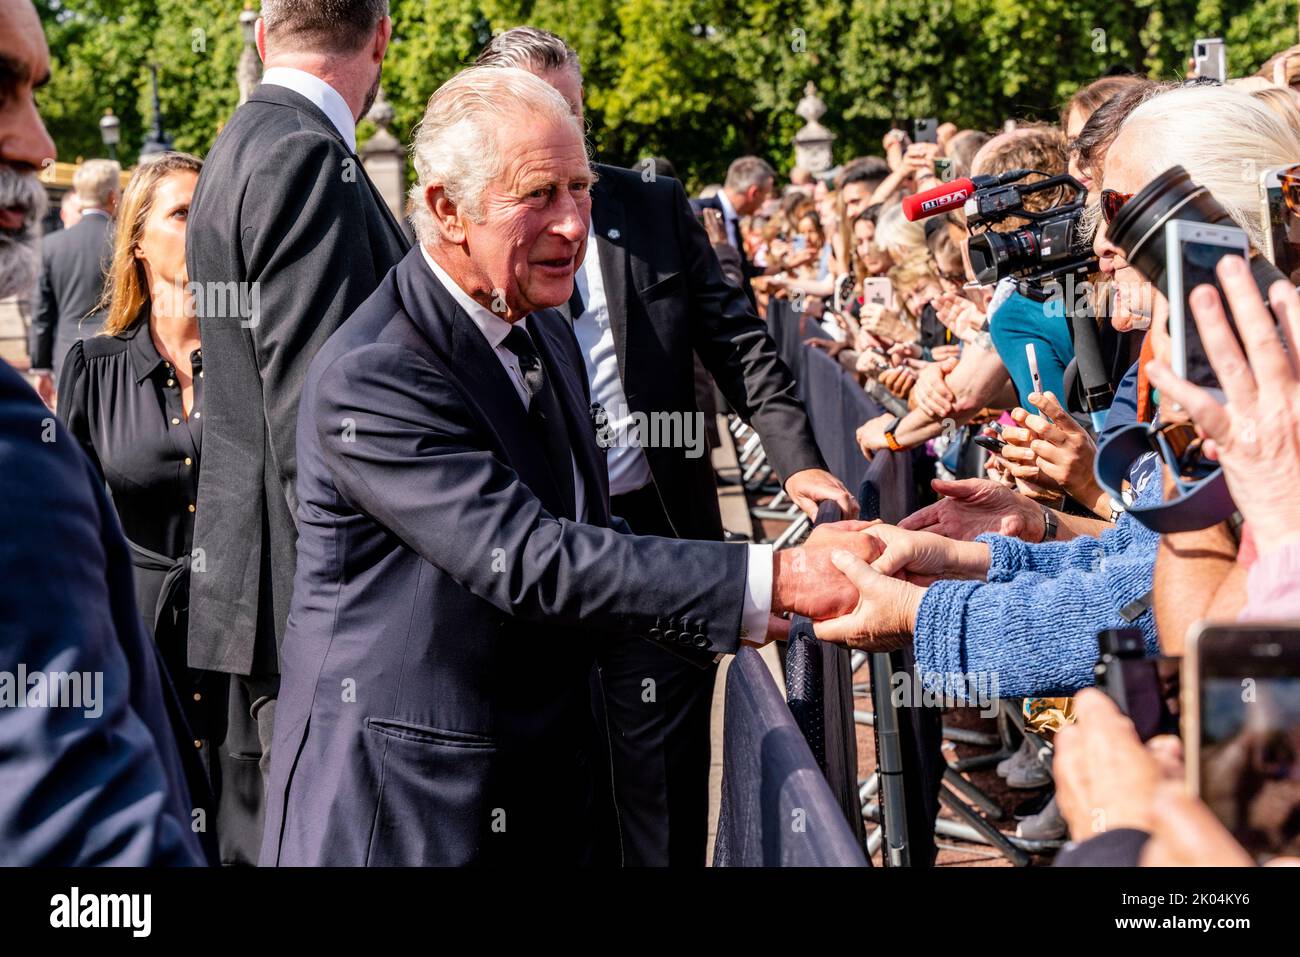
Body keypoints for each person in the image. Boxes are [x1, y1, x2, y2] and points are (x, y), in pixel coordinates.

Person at [260, 66, 874, 867]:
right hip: (407, 809)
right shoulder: (374, 372)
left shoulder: (542, 327)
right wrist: (772, 580)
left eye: (580, 188)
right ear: (447, 208)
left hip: (543, 782)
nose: (575, 224)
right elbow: (530, 557)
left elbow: (590, 532)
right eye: (539, 194)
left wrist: (750, 596)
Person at [475, 26, 854, 866]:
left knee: (668, 790)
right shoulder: (466, 238)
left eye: (574, 116)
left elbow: (737, 342)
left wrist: (801, 461)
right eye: (540, 121)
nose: (565, 149)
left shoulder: (650, 205)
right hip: (526, 545)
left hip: (658, 527)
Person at [184, 0, 410, 863]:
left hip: (263, 592)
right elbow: (326, 428)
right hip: (315, 613)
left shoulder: (240, 144)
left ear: (261, 34)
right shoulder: (305, 158)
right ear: (381, 37)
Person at [0, 0, 203, 866]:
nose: (41, 144)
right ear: (136, 244)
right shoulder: (36, 427)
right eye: (1, 91)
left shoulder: (264, 359)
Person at [57, 151, 244, 859]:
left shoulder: (255, 354)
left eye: (212, 213)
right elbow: (69, 519)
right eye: (182, 214)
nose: (202, 230)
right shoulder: (93, 364)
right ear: (137, 237)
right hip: (140, 641)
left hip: (247, 636)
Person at [28, 157, 119, 403]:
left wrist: (41, 367)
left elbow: (42, 314)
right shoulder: (125, 242)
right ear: (113, 196)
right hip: (119, 354)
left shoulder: (51, 246)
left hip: (67, 356)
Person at [690, 155, 775, 298]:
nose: (764, 204)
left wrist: (782, 267)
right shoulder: (699, 212)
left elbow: (740, 269)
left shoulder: (733, 219)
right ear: (753, 193)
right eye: (765, 195)